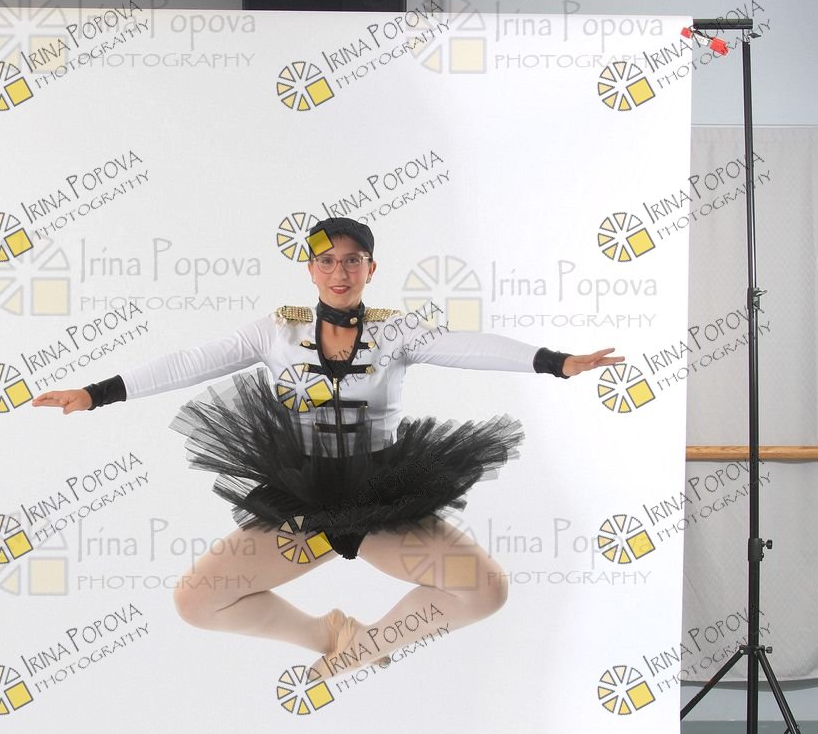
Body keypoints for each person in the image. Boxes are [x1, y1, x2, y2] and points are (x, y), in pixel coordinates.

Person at [33, 219, 622, 682]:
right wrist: (95, 393)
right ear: (310, 269)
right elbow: (192, 361)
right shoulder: (277, 330)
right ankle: (331, 635)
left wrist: (556, 362)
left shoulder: (397, 330)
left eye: (352, 260)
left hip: (381, 496)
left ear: (371, 268)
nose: (340, 271)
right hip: (303, 503)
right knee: (196, 602)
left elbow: (470, 346)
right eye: (326, 260)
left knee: (486, 589)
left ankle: (366, 648)